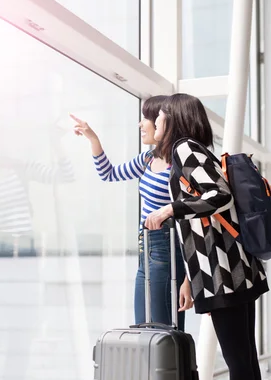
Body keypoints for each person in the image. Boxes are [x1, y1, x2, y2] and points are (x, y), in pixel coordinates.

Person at [145, 93, 269, 380]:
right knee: (244, 359)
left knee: (238, 361)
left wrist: (170, 208)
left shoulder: (185, 149)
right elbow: (203, 223)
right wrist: (187, 279)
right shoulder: (194, 149)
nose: (155, 122)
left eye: (161, 116)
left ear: (175, 120)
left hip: (223, 275)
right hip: (231, 268)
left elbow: (219, 195)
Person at [71, 96, 193, 332]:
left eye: (148, 118)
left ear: (164, 122)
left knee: (164, 331)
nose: (141, 124)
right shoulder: (149, 158)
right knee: (144, 328)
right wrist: (93, 138)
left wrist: (189, 279)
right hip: (144, 250)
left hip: (167, 251)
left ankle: (178, 370)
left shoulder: (179, 165)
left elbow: (192, 222)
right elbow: (108, 173)